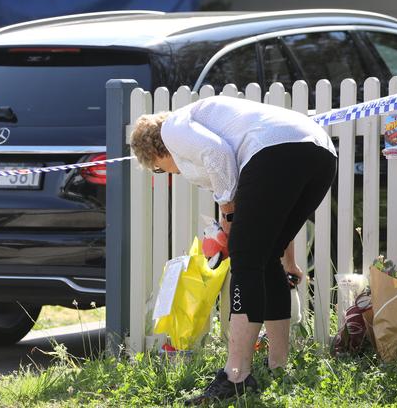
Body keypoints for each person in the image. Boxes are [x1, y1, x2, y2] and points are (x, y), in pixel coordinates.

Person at [130, 95, 336, 405]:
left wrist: (227, 216)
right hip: (319, 152)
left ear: (157, 152)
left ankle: (236, 375)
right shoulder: (229, 133)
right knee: (265, 258)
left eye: (160, 169)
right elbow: (271, 220)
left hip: (278, 152)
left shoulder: (173, 129)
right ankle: (279, 367)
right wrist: (289, 260)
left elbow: (216, 153)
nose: (170, 172)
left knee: (246, 260)